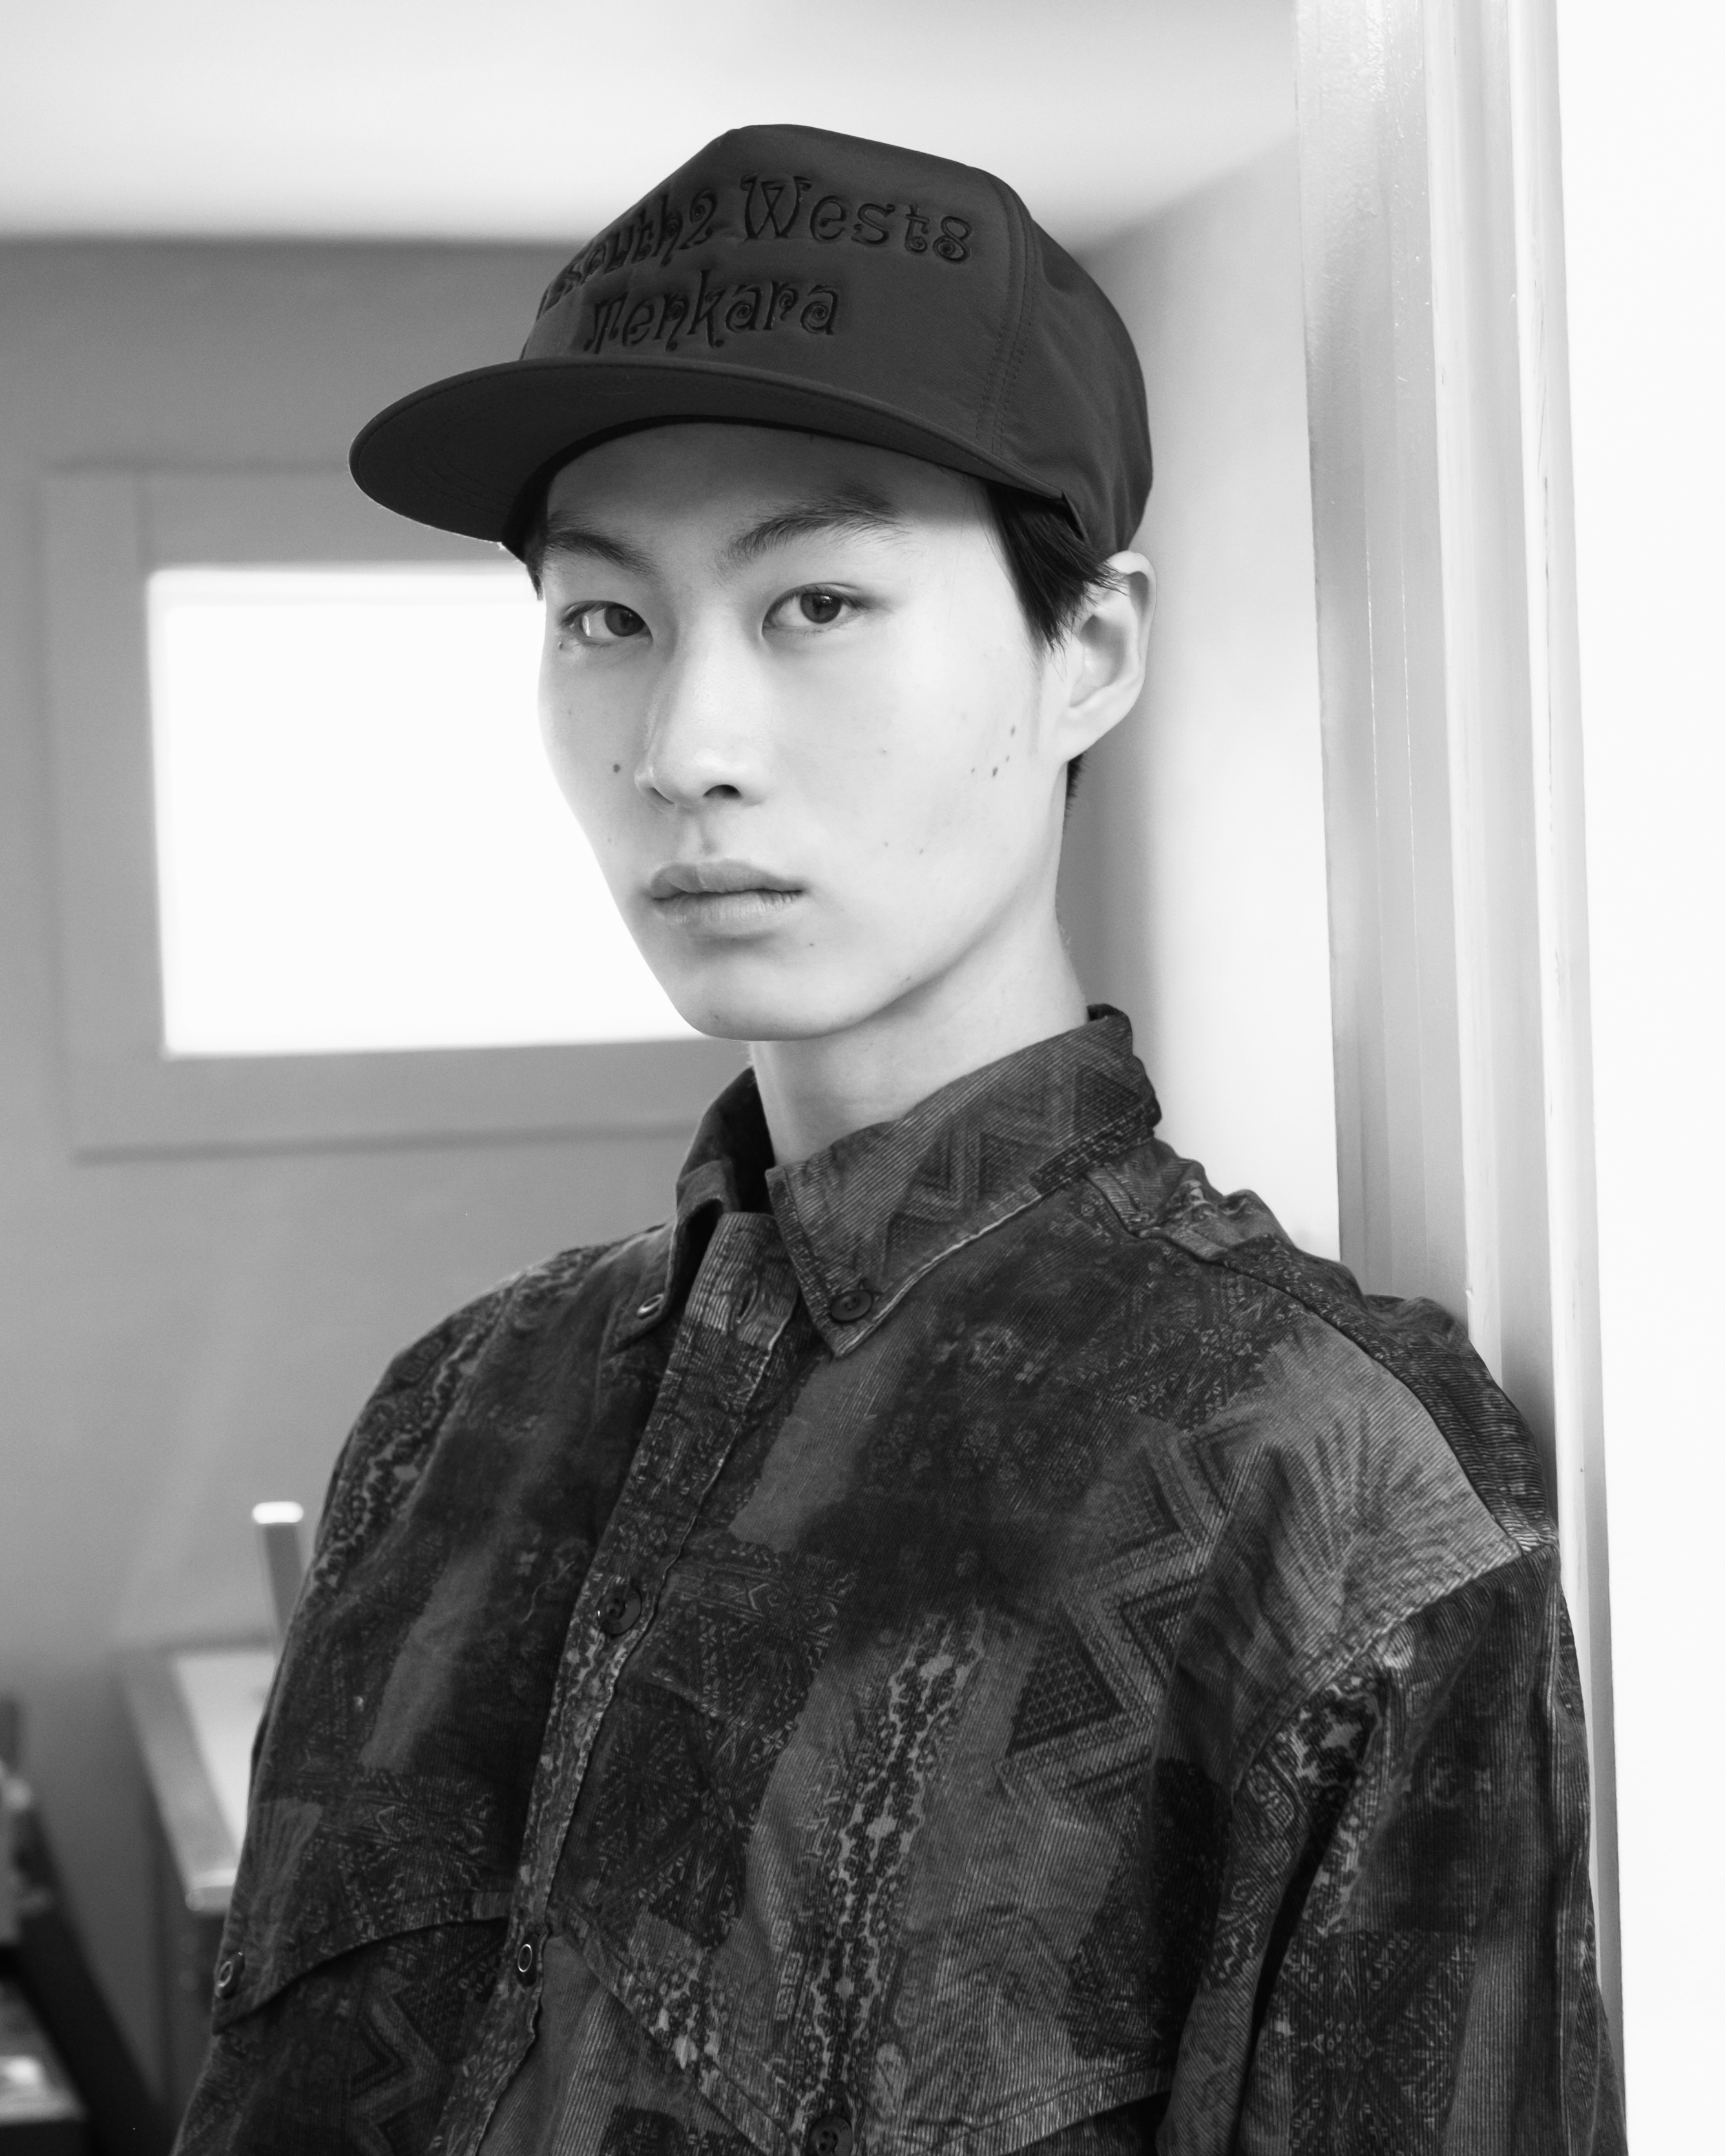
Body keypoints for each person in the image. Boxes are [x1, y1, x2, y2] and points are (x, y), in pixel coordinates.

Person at [176, 126, 1623, 2156]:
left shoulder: (1320, 1486)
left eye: (818, 600)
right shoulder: (451, 1419)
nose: (686, 747)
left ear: (1087, 651)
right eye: (605, 619)